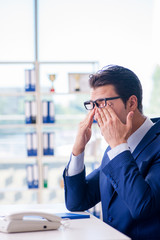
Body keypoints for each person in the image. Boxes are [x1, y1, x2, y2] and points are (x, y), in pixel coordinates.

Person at [63, 65, 160, 240]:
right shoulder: (114, 149)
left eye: (102, 104)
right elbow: (77, 202)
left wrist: (117, 145)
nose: (95, 114)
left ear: (131, 103)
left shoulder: (119, 147)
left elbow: (143, 207)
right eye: (92, 105)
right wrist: (78, 150)